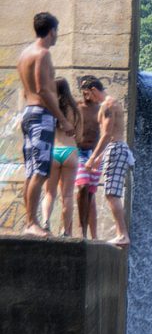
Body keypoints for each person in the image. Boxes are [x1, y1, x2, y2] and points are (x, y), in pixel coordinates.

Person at [16, 12, 76, 237]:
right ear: (51, 30)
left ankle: (29, 222)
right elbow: (42, 89)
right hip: (41, 116)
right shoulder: (43, 54)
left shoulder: (25, 54)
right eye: (57, 31)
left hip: (29, 113)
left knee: (33, 171)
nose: (57, 36)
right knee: (40, 171)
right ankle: (32, 223)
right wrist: (61, 119)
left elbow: (28, 90)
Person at [81, 79, 133, 247]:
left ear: (94, 89)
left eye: (88, 94)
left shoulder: (107, 104)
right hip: (116, 148)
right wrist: (100, 157)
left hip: (116, 148)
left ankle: (122, 234)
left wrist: (92, 157)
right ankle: (121, 234)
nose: (88, 98)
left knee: (112, 194)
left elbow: (106, 134)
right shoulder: (112, 103)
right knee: (111, 193)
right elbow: (112, 136)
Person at [40, 78, 81, 236]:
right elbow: (80, 135)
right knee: (68, 195)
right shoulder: (76, 109)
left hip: (52, 151)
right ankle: (66, 231)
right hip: (70, 151)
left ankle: (45, 222)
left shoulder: (50, 108)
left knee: (49, 193)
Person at [75, 75, 102, 239]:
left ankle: (91, 234)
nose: (85, 92)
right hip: (78, 152)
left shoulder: (100, 108)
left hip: (95, 154)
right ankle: (82, 229)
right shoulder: (76, 107)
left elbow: (107, 133)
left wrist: (100, 155)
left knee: (91, 194)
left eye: (88, 89)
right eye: (82, 88)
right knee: (82, 187)